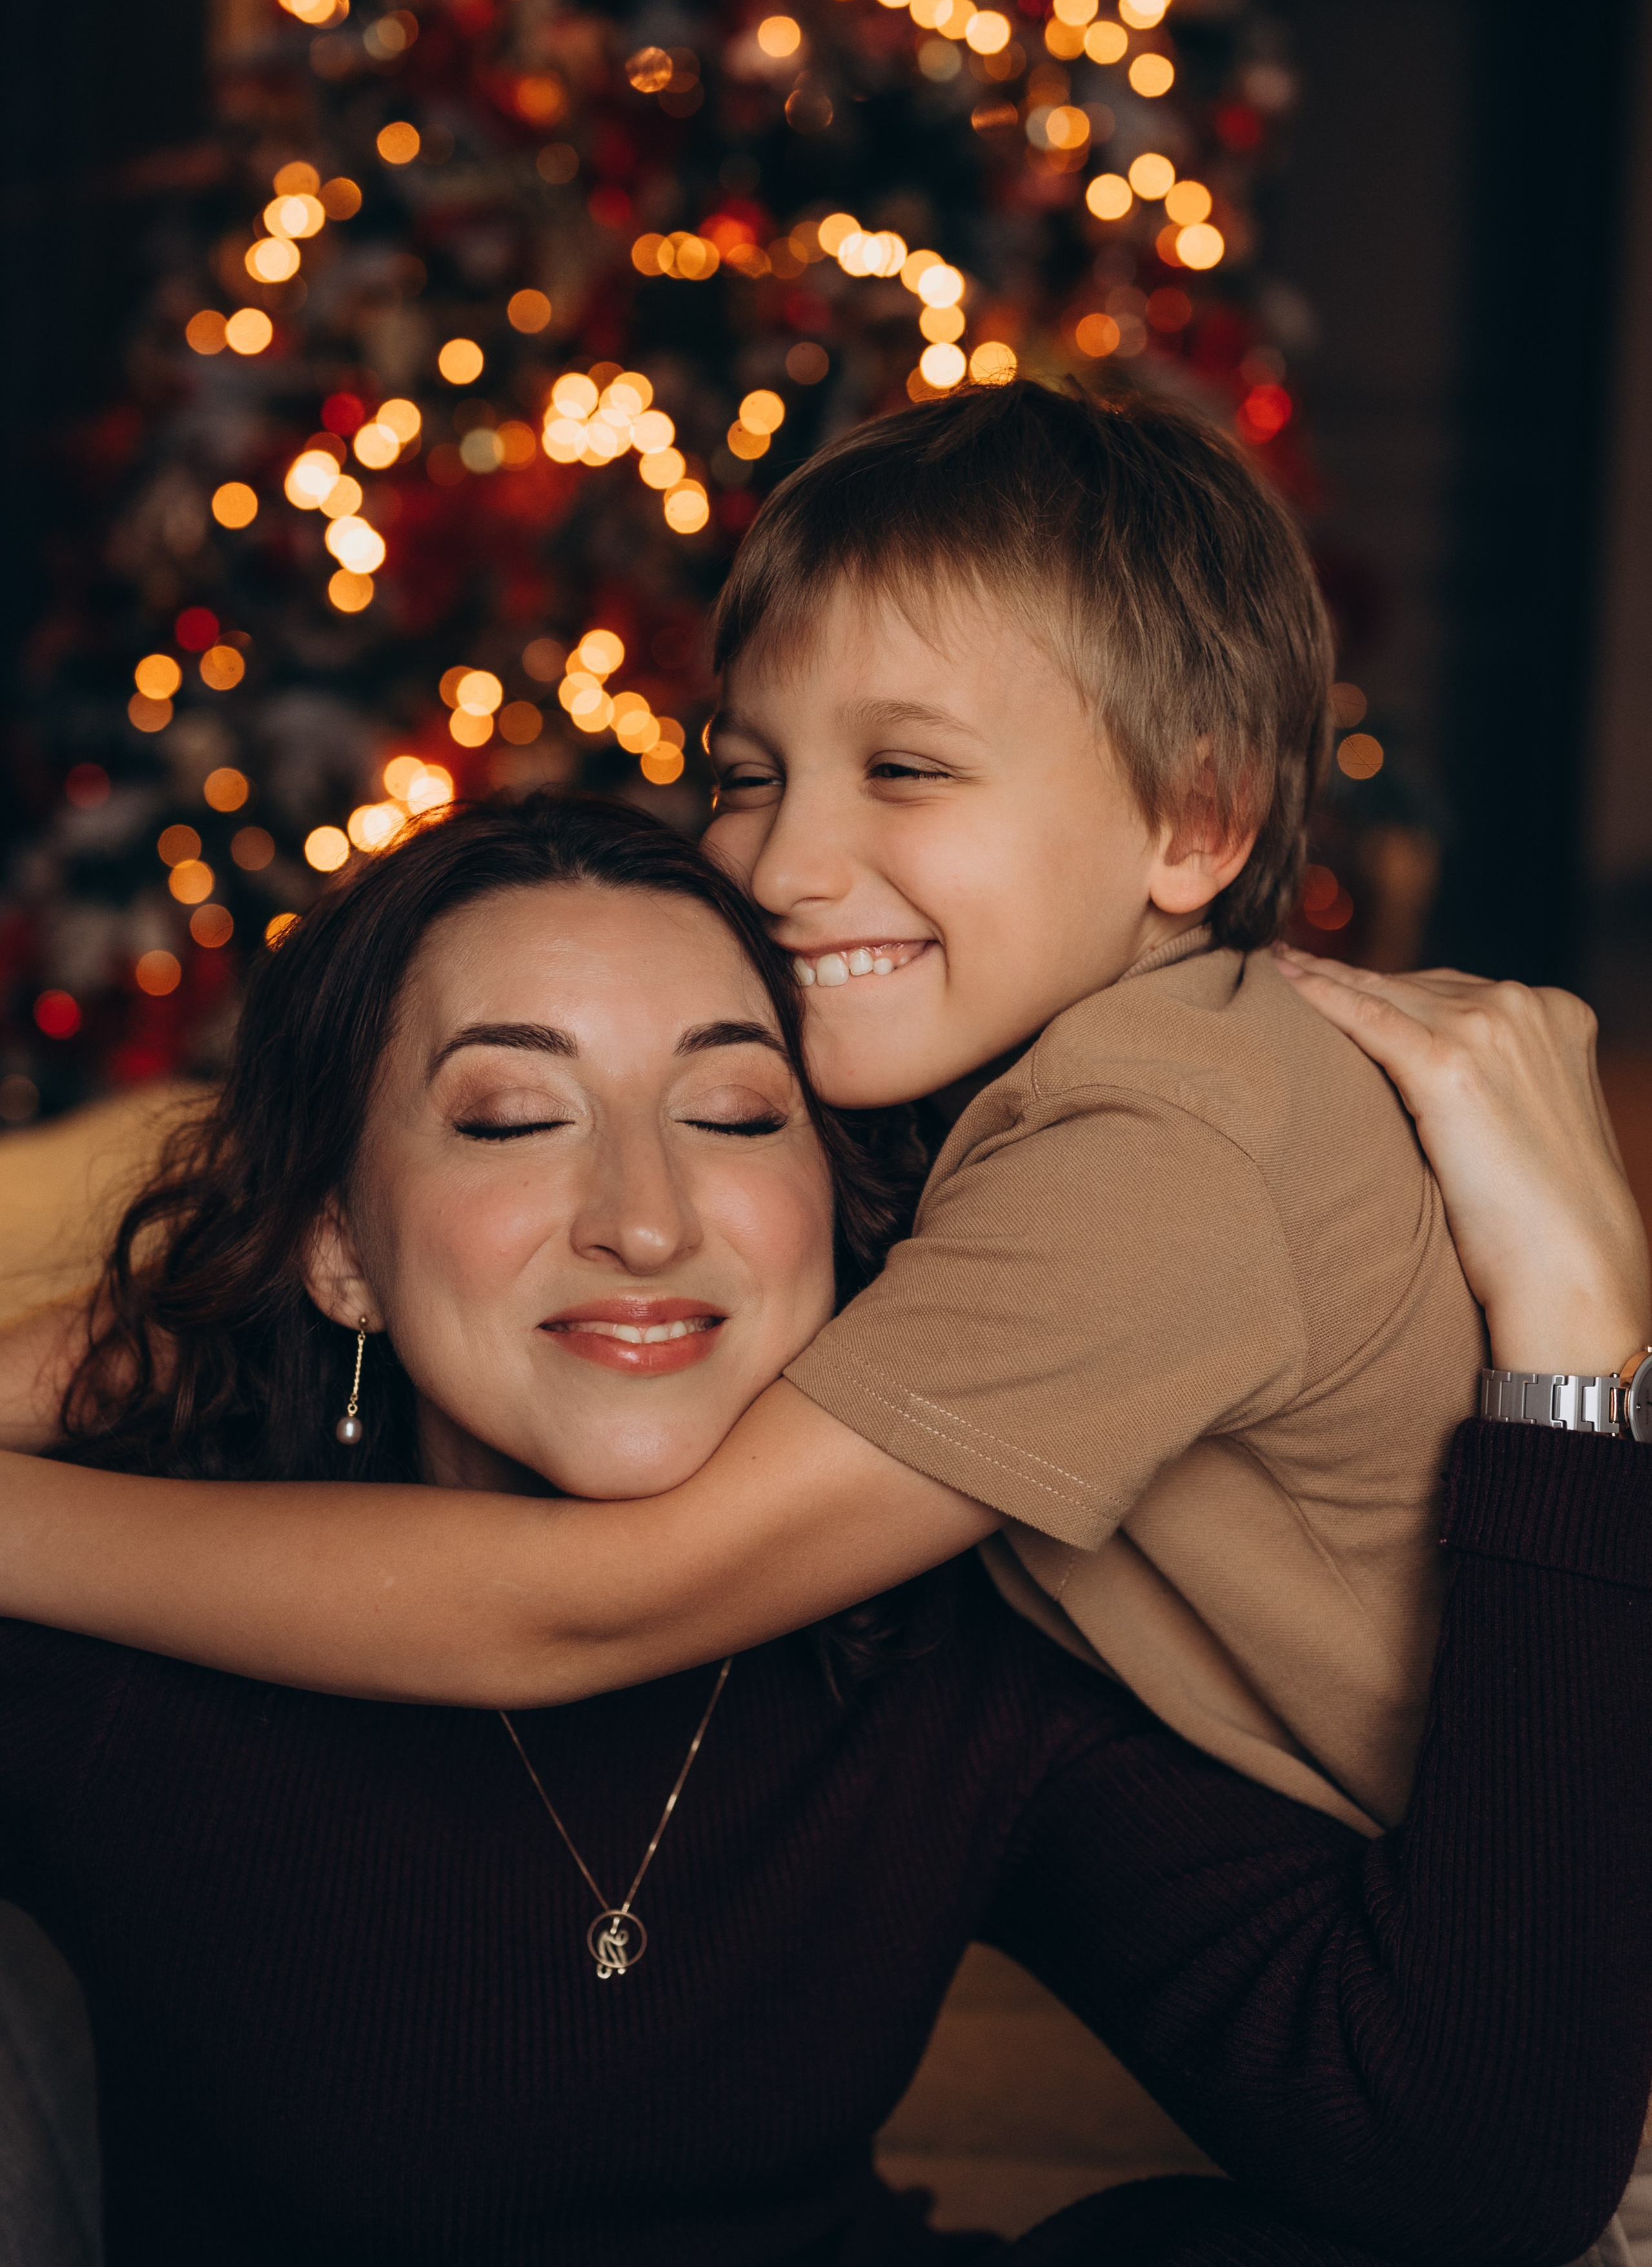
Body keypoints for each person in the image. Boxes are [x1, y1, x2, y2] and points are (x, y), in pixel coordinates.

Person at [1, 793, 1651, 2267]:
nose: (643, 1215)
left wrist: (1572, 1363)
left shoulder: (947, 1645)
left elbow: (1472, 2161)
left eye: (731, 1113)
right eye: (511, 1116)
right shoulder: (102, 1638)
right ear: (339, 1246)